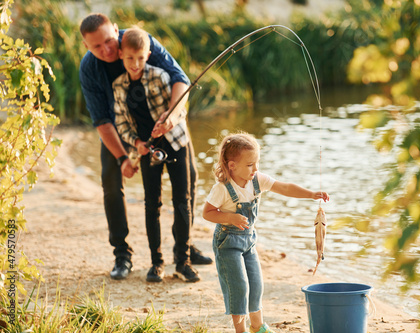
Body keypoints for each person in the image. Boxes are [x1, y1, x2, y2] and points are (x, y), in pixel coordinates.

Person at [79, 13, 212, 282]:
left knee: (191, 179)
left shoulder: (139, 41)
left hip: (162, 124)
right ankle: (122, 253)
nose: (106, 50)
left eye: (109, 41)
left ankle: (182, 247)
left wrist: (172, 117)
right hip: (120, 127)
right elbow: (102, 121)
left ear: (116, 30)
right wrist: (123, 157)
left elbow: (179, 78)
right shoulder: (89, 68)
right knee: (111, 180)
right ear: (86, 47)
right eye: (96, 47)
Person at [202, 132, 330, 333]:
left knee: (256, 284)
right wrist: (230, 217)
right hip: (227, 243)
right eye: (250, 164)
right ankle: (240, 330)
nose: (255, 168)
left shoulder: (257, 180)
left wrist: (310, 194)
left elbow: (285, 188)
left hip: (249, 242)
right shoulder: (223, 188)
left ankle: (257, 326)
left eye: (257, 163)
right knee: (239, 286)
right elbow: (207, 213)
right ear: (232, 165)